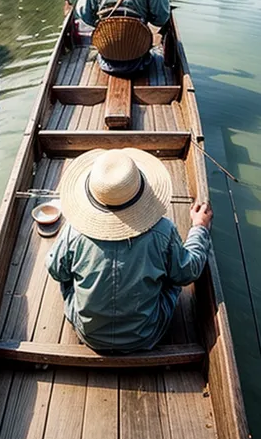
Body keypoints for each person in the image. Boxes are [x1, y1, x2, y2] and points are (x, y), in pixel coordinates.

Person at [45, 147, 212, 353]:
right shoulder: (163, 231)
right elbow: (187, 272)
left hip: (89, 335)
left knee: (66, 274)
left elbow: (55, 270)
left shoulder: (73, 231)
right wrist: (199, 228)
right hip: (146, 334)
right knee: (172, 276)